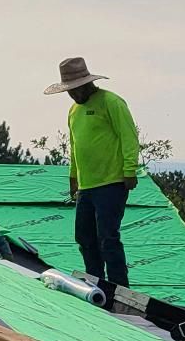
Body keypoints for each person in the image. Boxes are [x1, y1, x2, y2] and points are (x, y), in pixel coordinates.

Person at [44, 55, 139, 308]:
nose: (73, 95)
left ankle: (120, 289)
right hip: (86, 185)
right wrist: (73, 177)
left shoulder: (111, 102)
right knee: (84, 237)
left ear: (87, 84)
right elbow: (75, 147)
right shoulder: (74, 111)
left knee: (108, 236)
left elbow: (129, 137)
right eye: (69, 91)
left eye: (75, 90)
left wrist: (130, 170)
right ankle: (95, 283)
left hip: (111, 182)